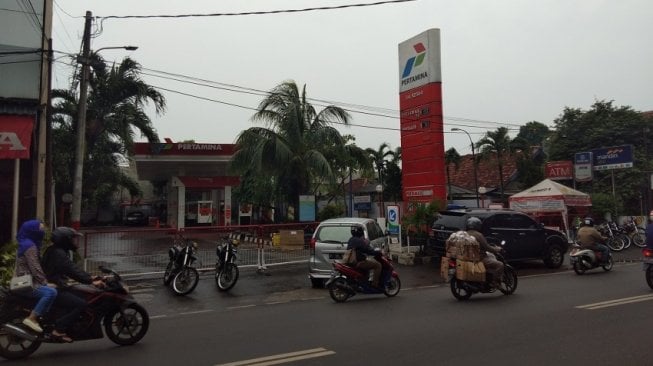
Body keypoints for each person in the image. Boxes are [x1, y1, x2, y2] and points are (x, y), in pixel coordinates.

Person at [41, 227, 104, 343]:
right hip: (55, 287)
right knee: (81, 304)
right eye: (73, 239)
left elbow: (72, 268)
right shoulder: (59, 253)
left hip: (55, 284)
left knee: (78, 294)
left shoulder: (54, 250)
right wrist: (90, 280)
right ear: (65, 240)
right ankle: (59, 329)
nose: (75, 242)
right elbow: (71, 269)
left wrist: (90, 277)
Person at [14, 219, 58, 335]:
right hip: (28, 284)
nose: (42, 232)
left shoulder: (25, 243)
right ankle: (32, 318)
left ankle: (42, 318)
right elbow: (35, 267)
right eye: (40, 229)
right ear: (32, 231)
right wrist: (44, 282)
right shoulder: (30, 246)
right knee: (51, 292)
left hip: (23, 281)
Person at [464, 217, 504, 287]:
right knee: (500, 265)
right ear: (478, 225)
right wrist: (497, 249)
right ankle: (494, 282)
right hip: (479, 258)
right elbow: (487, 247)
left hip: (465, 258)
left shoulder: (463, 234)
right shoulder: (478, 235)